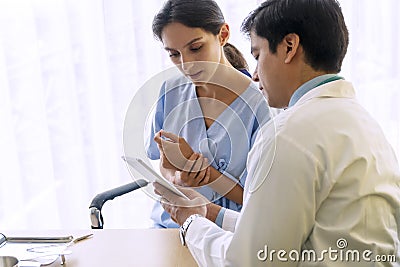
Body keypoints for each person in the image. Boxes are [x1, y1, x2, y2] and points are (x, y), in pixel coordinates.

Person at [154, 0, 400, 266]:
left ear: (289, 47)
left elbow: (250, 261)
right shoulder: (362, 123)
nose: (255, 74)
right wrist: (208, 212)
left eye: (258, 56)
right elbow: (280, 230)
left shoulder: (287, 135)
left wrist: (190, 223)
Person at [145, 0, 271, 228]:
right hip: (169, 225)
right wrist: (177, 178)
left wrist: (205, 174)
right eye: (174, 54)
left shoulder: (261, 104)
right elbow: (164, 164)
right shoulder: (170, 92)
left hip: (229, 231)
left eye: (195, 48)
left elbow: (259, 201)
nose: (187, 65)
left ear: (223, 35)